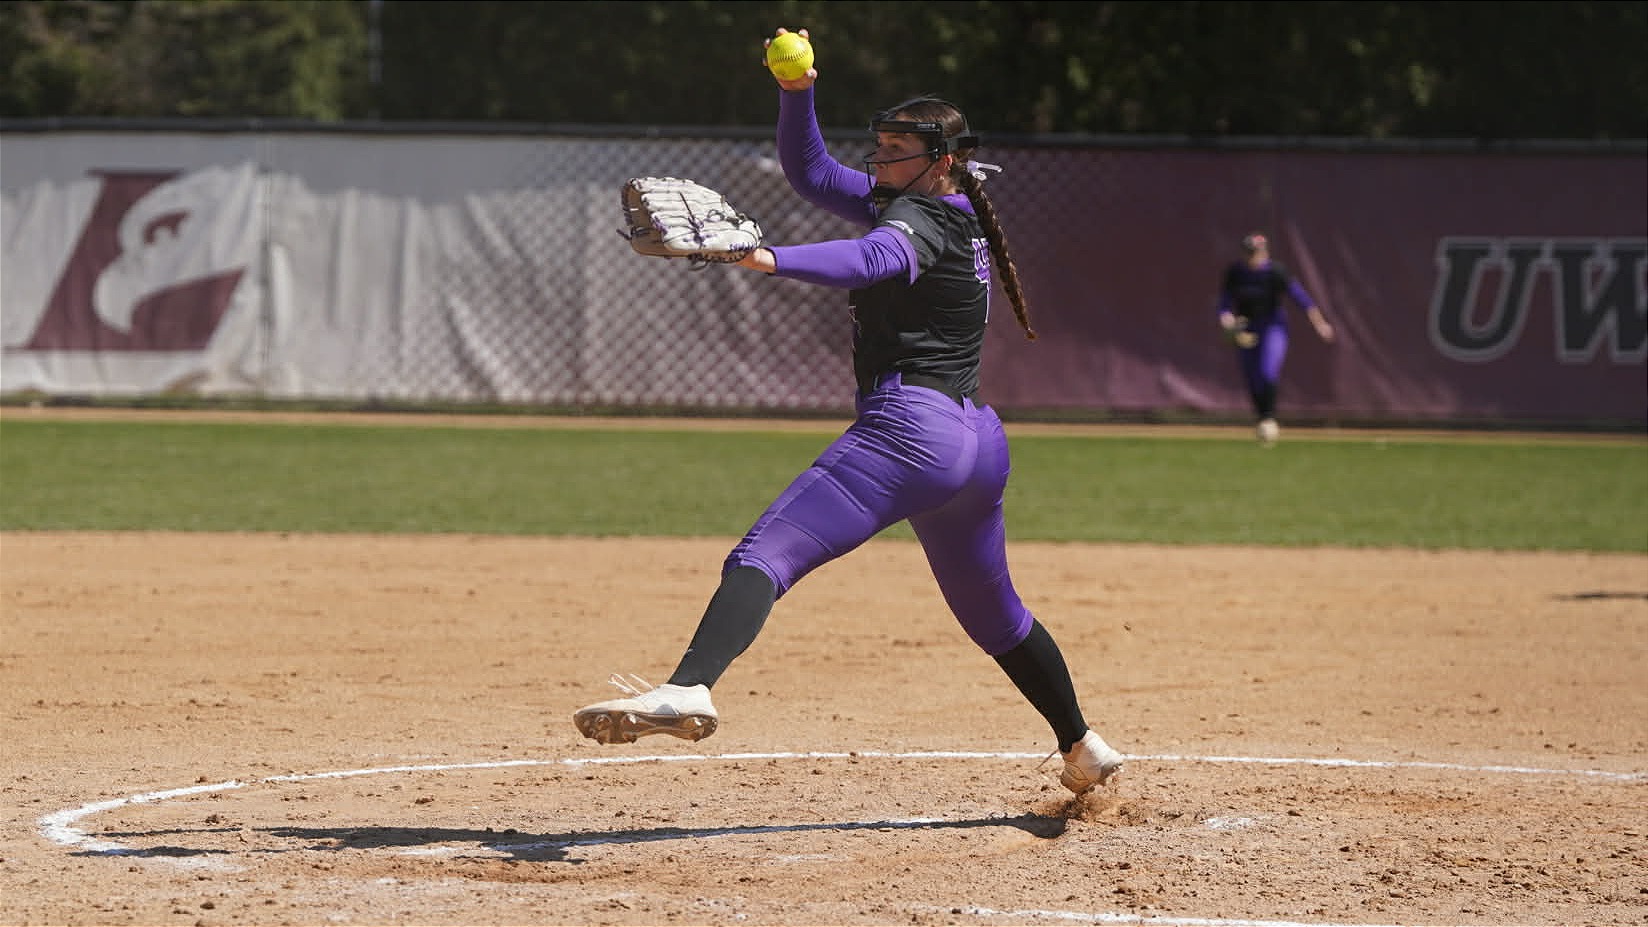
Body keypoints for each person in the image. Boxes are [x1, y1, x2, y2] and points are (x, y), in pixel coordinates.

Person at [572, 28, 1125, 796]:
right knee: (997, 617)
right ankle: (1082, 744)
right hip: (975, 444)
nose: (879, 158)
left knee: (764, 554)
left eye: (897, 147)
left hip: (911, 434)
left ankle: (690, 685)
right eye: (882, 144)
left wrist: (762, 258)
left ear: (942, 157)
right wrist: (797, 92)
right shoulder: (939, 205)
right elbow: (809, 171)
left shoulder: (920, 221)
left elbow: (874, 258)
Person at [1215, 232, 1335, 445]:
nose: (1254, 256)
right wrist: (1227, 322)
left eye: (1258, 252)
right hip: (1246, 327)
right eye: (1250, 252)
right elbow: (1224, 303)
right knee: (1252, 377)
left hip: (1272, 326)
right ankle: (1262, 418)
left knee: (1267, 370)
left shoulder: (1276, 272)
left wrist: (1320, 324)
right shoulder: (1236, 272)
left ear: (1266, 252)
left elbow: (1301, 298)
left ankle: (1269, 419)